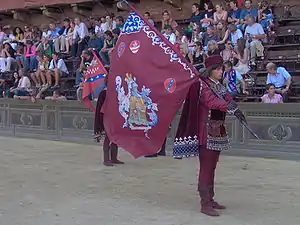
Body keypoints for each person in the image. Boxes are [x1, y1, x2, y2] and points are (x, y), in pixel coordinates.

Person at [173, 55, 245, 217]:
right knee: (206, 167)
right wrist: (230, 107)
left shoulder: (216, 85)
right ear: (210, 70)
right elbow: (211, 101)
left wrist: (232, 104)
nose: (221, 71)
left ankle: (210, 199)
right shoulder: (202, 85)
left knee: (212, 166)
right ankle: (204, 203)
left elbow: (226, 97)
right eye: (218, 69)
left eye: (222, 69)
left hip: (216, 130)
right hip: (206, 131)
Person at [94, 76, 124, 166]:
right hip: (106, 118)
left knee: (115, 138)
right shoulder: (103, 93)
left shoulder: (116, 93)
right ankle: (106, 159)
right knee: (108, 138)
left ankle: (114, 158)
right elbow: (100, 108)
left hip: (115, 118)